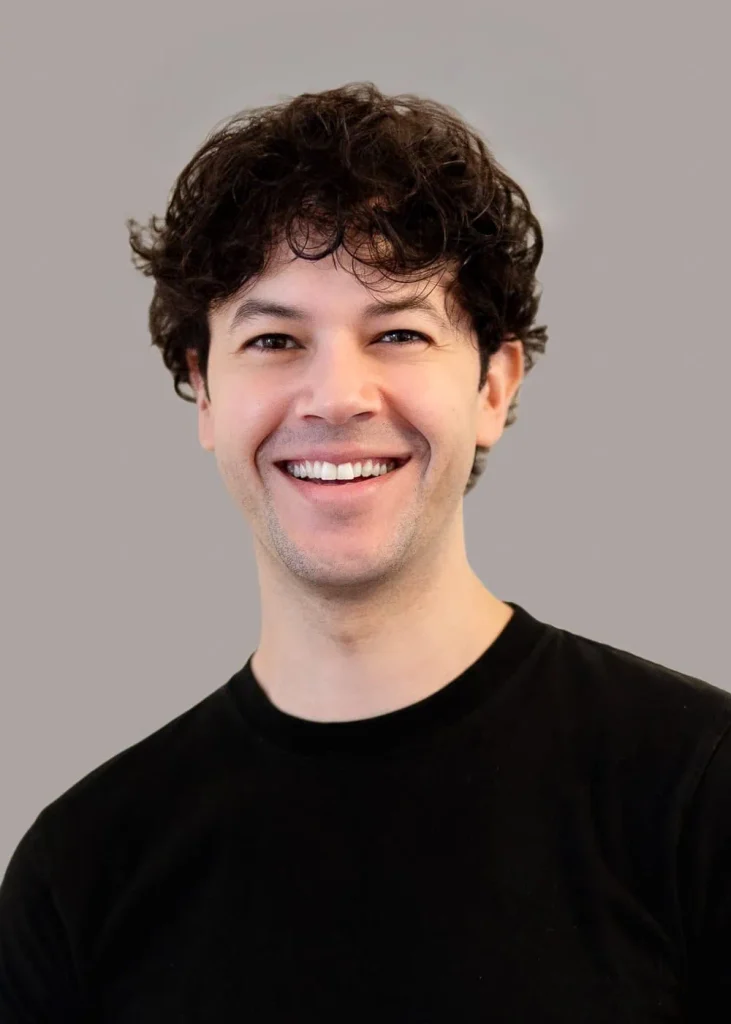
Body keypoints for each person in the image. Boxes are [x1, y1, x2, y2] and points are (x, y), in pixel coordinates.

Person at [0, 81, 729, 1023]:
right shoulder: (83, 870)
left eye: (396, 332)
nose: (335, 396)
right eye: (272, 339)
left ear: (492, 388)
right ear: (206, 395)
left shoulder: (696, 794)